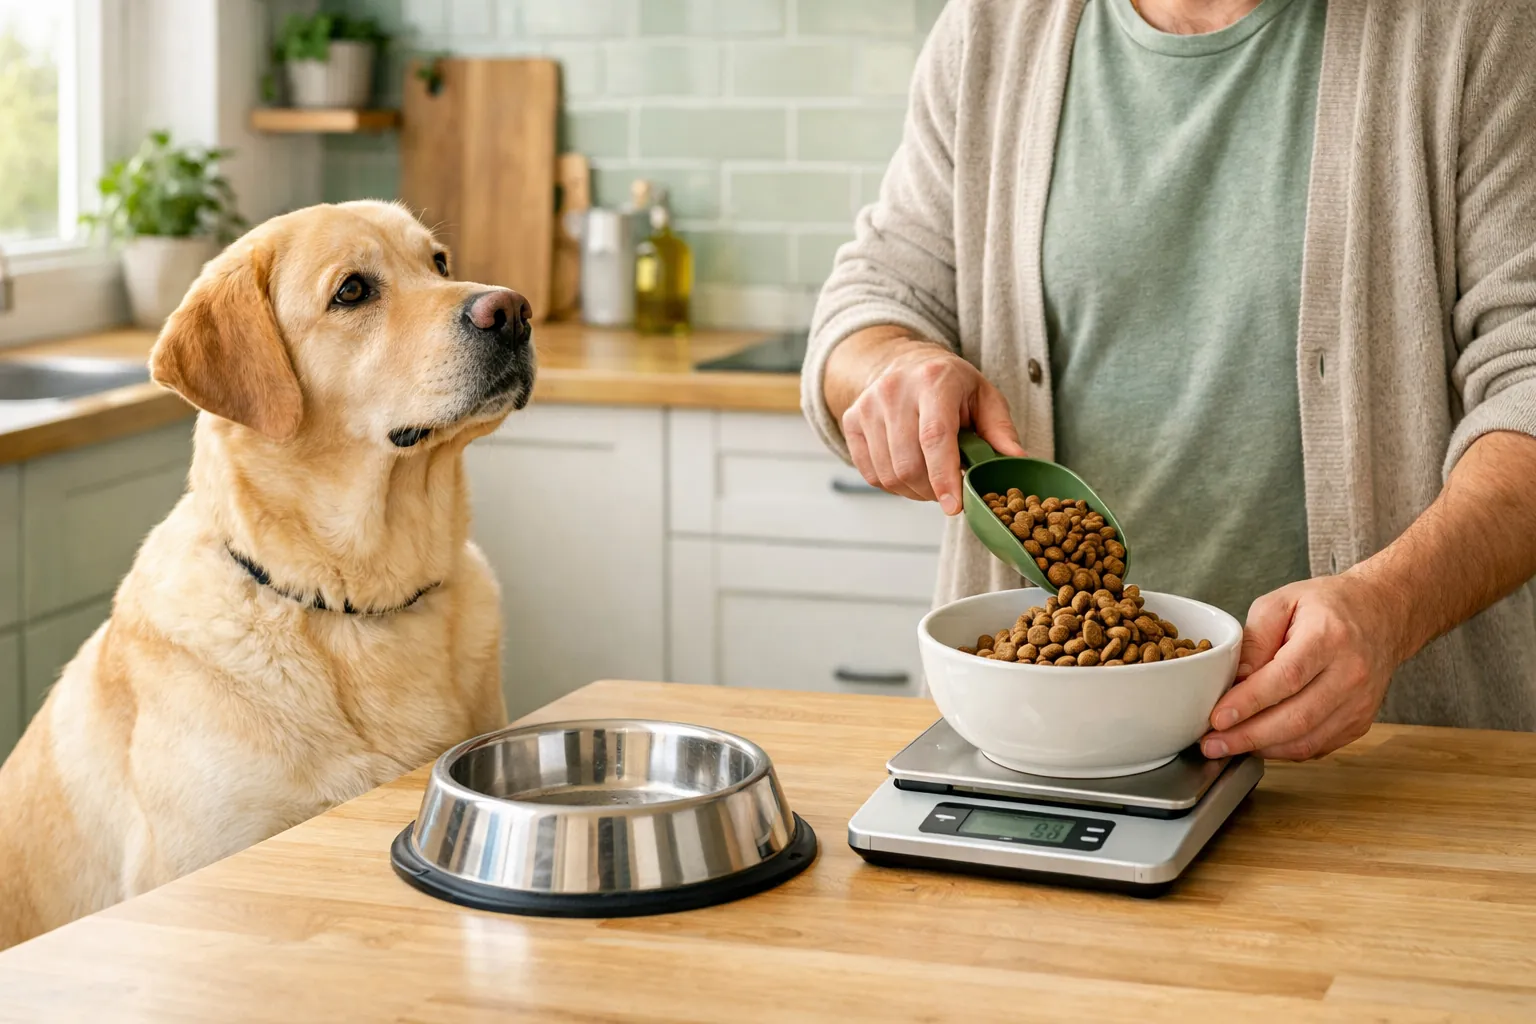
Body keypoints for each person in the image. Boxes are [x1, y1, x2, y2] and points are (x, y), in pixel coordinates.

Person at [802, 0, 1536, 761]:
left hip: (1382, 755)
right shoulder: (994, 26)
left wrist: (1392, 608)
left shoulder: (1474, 28)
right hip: (1036, 737)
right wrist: (891, 364)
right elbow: (874, 297)